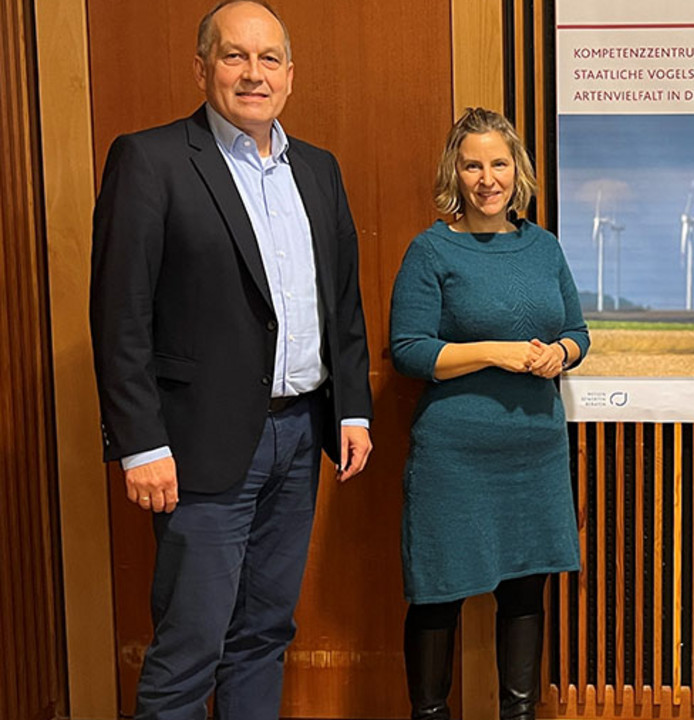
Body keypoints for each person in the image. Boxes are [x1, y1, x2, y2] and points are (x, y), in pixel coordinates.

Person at [88, 1, 373, 718]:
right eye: (234, 56)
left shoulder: (318, 169)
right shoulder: (150, 160)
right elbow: (119, 317)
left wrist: (355, 410)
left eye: (268, 58)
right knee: (191, 647)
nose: (253, 73)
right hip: (196, 447)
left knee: (264, 635)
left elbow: (339, 300)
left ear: (289, 74)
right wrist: (140, 444)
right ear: (202, 66)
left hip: (302, 437)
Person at [389, 107, 589, 720]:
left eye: (498, 163)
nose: (486, 178)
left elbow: (579, 331)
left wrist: (561, 353)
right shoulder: (431, 250)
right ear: (456, 171)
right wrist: (494, 354)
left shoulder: (544, 246)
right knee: (437, 594)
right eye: (472, 164)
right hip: (455, 456)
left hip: (534, 452)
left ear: (516, 170)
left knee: (526, 591)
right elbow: (409, 350)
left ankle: (519, 714)